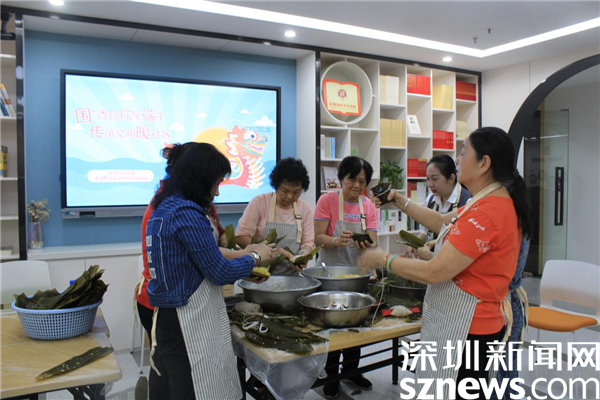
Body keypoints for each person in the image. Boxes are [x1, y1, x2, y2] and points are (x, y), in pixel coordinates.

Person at [359, 127, 532, 400]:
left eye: (464, 152)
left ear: (484, 163)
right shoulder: (486, 200)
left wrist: (383, 259)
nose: (458, 159)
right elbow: (441, 221)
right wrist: (400, 200)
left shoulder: (488, 212)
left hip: (469, 329)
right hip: (466, 324)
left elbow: (434, 271)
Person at [145, 142, 274, 400]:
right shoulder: (186, 213)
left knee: (174, 387)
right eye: (215, 183)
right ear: (199, 179)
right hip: (186, 322)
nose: (216, 191)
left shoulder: (165, 206)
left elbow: (200, 260)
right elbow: (218, 271)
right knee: (193, 388)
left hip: (171, 317)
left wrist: (243, 268)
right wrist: (256, 256)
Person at [314, 156, 378, 399]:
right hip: (330, 276)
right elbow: (318, 237)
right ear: (341, 178)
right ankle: (331, 377)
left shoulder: (368, 206)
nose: (357, 185)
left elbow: (373, 241)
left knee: (355, 326)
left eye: (362, 181)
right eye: (352, 179)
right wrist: (335, 240)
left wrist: (365, 244)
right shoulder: (327, 200)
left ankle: (351, 371)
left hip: (357, 277)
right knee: (333, 328)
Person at [236, 157, 315, 274]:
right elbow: (241, 237)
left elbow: (308, 243)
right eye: (285, 190)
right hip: (259, 275)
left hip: (292, 278)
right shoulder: (259, 203)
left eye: (296, 192)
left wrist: (303, 255)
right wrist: (271, 252)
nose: (290, 196)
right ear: (276, 185)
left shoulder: (305, 209)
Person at [417, 154, 471, 243]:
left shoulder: (467, 201)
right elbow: (425, 232)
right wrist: (414, 243)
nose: (430, 184)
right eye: (428, 179)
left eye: (434, 179)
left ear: (451, 178)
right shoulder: (430, 200)